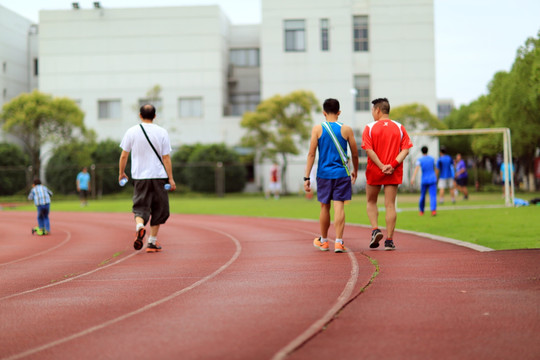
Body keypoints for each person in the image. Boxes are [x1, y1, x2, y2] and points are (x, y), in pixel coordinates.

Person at [118, 104, 177, 253]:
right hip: (158, 176)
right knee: (160, 208)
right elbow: (166, 157)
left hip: (140, 177)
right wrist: (171, 178)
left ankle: (139, 226)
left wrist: (121, 173)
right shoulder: (162, 132)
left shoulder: (131, 131)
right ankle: (151, 242)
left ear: (140, 115)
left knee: (140, 207)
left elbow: (124, 155)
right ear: (155, 116)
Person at [304, 98, 359, 253]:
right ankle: (339, 242)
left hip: (324, 174)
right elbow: (354, 153)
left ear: (324, 113)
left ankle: (323, 241)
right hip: (342, 173)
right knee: (339, 206)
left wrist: (307, 177)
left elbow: (311, 154)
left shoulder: (317, 129)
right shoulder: (347, 129)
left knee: (324, 206)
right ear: (339, 112)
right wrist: (354, 170)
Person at [362, 98, 412, 251]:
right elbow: (406, 149)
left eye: (372, 110)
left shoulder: (369, 128)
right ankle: (389, 240)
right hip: (393, 171)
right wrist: (392, 165)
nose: (372, 113)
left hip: (375, 171)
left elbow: (368, 150)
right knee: (390, 205)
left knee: (371, 201)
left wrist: (381, 166)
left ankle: (375, 229)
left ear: (377, 110)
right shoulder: (399, 127)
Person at [410, 146, 437, 216]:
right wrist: (436, 176)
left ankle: (421, 211)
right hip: (432, 179)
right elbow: (436, 168)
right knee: (433, 196)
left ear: (422, 151)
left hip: (424, 180)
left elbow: (417, 168)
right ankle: (433, 210)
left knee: (422, 196)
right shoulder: (432, 159)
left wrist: (413, 177)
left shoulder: (420, 160)